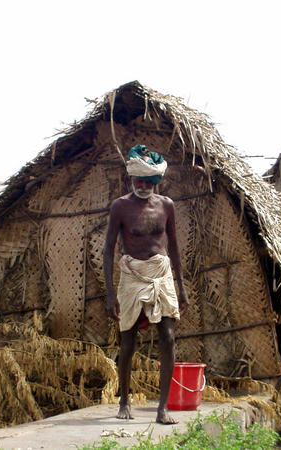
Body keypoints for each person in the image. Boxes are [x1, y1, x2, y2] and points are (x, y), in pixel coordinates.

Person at [103, 144, 189, 424]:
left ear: (155, 181)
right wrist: (109, 294)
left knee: (168, 337)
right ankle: (124, 401)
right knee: (128, 341)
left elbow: (174, 247)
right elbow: (108, 250)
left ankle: (162, 409)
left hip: (161, 273)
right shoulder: (120, 207)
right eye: (136, 180)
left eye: (146, 180)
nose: (141, 185)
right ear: (131, 179)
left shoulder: (166, 205)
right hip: (132, 275)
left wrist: (181, 286)